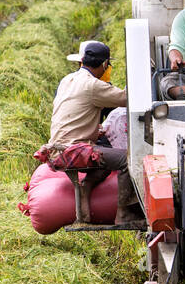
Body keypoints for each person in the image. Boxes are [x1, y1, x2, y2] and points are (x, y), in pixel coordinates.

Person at [49, 40, 141, 225]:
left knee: (105, 149)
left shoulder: (67, 79)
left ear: (82, 61)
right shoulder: (93, 85)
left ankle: (86, 189)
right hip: (74, 149)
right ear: (104, 64)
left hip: (57, 147)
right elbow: (127, 99)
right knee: (127, 159)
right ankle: (124, 214)